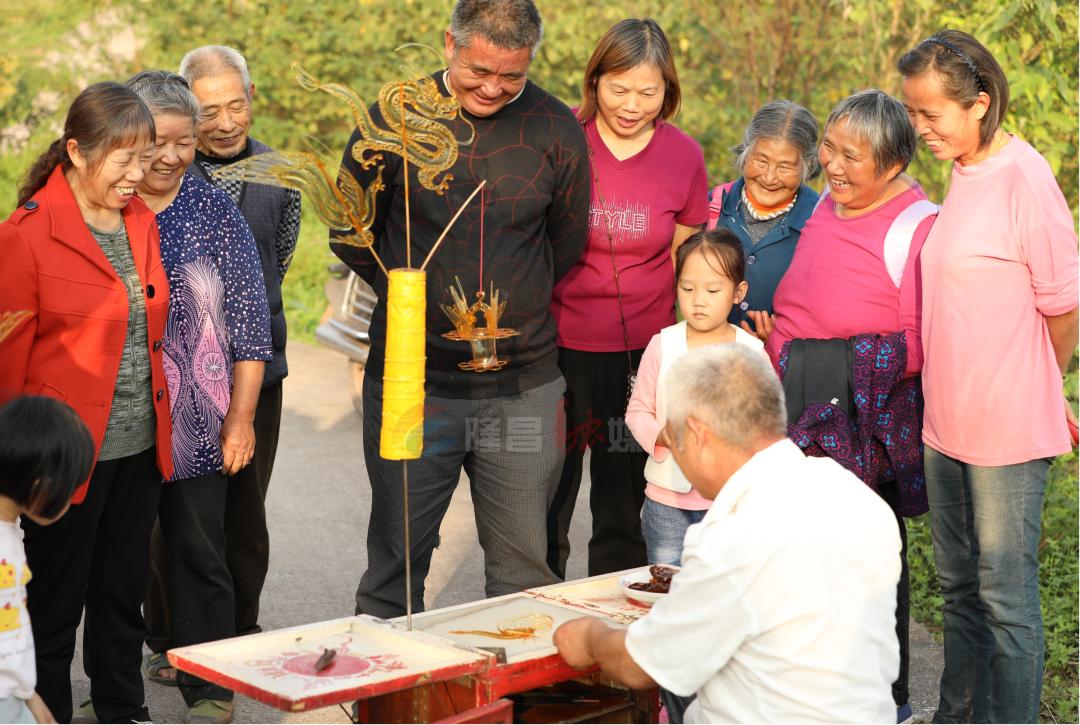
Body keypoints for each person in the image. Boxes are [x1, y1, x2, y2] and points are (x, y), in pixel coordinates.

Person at [331, 0, 591, 618]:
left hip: (524, 386)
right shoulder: (395, 118)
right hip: (411, 384)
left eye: (513, 76)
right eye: (480, 71)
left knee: (524, 564)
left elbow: (566, 243)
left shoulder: (557, 127)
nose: (494, 88)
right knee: (396, 562)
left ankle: (511, 707)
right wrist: (412, 294)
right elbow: (352, 232)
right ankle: (391, 706)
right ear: (450, 44)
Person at [553, 345, 902, 723]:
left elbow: (640, 666)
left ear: (697, 434)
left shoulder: (734, 535)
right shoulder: (856, 497)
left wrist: (589, 636)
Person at [899, 30, 1079, 723]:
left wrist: (1036, 380)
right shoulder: (965, 172)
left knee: (1006, 600)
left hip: (1006, 431)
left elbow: (1063, 307)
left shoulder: (1025, 179)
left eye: (932, 114)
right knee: (959, 591)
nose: (921, 129)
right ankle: (955, 716)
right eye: (914, 114)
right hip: (946, 425)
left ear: (979, 104)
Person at [0, 82, 174, 724]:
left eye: (146, 156)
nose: (139, 174)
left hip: (139, 447)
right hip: (65, 458)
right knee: (51, 606)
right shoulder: (26, 235)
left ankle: (123, 709)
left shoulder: (142, 222)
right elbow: (8, 368)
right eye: (123, 159)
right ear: (76, 151)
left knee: (121, 595)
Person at [765, 89, 936, 722]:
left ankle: (885, 702)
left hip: (862, 425)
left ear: (892, 165)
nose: (831, 166)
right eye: (828, 149)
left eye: (851, 156)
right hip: (796, 412)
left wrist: (826, 360)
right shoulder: (832, 206)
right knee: (799, 565)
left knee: (868, 566)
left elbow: (922, 342)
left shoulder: (917, 226)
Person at [128, 71, 272, 725]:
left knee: (198, 546)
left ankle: (209, 682)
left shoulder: (215, 212)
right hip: (118, 411)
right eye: (158, 140)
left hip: (196, 415)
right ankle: (111, 685)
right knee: (114, 554)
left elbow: (249, 324)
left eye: (185, 142)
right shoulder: (105, 203)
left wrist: (240, 418)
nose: (171, 156)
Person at [546, 18, 708, 578]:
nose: (632, 105)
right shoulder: (562, 137)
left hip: (640, 356)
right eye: (619, 89)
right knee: (547, 496)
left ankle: (613, 640)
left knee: (621, 505)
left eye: (648, 91)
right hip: (556, 348)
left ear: (668, 90)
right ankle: (540, 628)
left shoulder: (683, 156)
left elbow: (685, 263)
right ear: (595, 82)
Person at [173, 44, 300, 643]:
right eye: (207, 111)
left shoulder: (284, 174)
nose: (224, 124)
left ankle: (239, 629)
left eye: (234, 106)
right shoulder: (164, 172)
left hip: (259, 373)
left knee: (245, 514)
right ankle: (168, 637)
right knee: (177, 516)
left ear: (252, 99)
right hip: (179, 376)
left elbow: (281, 259)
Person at [626, 229, 763, 569]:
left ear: (738, 292)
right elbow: (638, 409)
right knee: (667, 584)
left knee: (723, 588)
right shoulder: (662, 345)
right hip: (666, 500)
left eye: (713, 290)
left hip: (730, 502)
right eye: (687, 288)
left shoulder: (752, 353)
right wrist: (661, 434)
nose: (698, 299)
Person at [0, 396, 95, 725]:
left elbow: (12, 633)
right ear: (40, 486)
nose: (72, 500)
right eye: (69, 489)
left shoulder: (10, 530)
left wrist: (29, 695)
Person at [705, 100, 820, 341]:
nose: (769, 177)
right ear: (746, 152)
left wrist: (783, 337)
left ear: (807, 166)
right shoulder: (712, 207)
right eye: (761, 161)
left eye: (785, 167)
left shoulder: (820, 222)